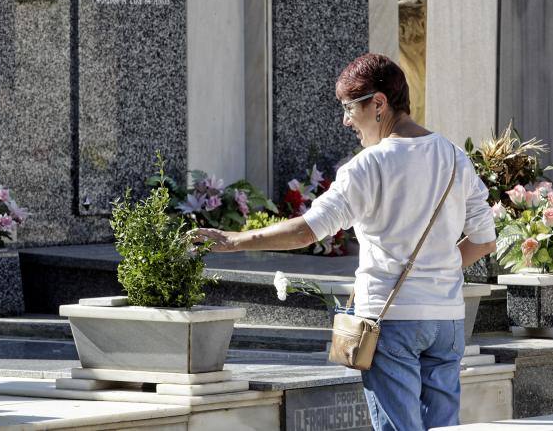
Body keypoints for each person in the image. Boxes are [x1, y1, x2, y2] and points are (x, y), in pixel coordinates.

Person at [193, 53, 496, 430]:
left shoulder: (367, 167)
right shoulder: (454, 157)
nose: (345, 119)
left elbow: (308, 230)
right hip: (447, 320)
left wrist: (234, 240)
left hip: (389, 320)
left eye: (350, 107)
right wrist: (440, 269)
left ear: (379, 103)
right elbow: (484, 240)